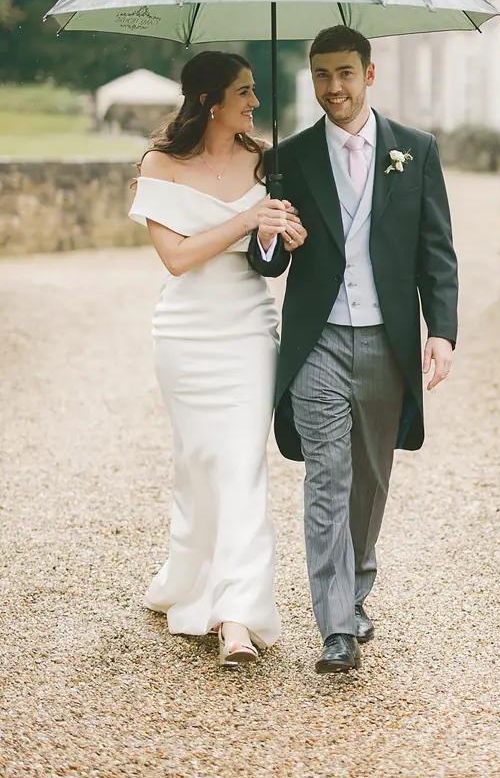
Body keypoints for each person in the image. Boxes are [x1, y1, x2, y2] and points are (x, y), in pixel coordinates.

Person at [247, 25, 458, 674]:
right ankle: (335, 625)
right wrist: (273, 235)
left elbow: (436, 253)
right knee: (326, 479)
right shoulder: (291, 155)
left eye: (344, 73)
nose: (332, 87)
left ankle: (358, 586)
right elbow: (271, 265)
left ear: (370, 73)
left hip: (387, 344)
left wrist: (442, 331)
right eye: (320, 75)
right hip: (319, 342)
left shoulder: (415, 153)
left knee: (370, 479)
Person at [128, 51, 307, 668]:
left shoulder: (265, 161)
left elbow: (270, 260)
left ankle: (237, 615)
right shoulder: (160, 165)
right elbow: (176, 258)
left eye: (254, 92)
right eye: (244, 92)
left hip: (248, 332)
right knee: (199, 463)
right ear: (209, 100)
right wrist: (244, 220)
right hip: (185, 334)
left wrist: (280, 234)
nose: (255, 102)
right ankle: (188, 577)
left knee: (240, 466)